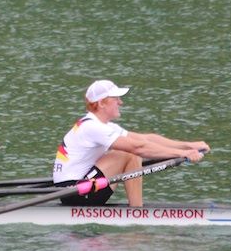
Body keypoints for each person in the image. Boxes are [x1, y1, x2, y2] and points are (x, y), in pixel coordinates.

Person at [53, 80, 208, 207]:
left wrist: (188, 146)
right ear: (101, 103)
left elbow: (146, 139)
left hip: (80, 188)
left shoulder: (103, 125)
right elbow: (138, 147)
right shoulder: (92, 127)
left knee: (132, 149)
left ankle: (136, 209)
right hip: (74, 192)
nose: (120, 102)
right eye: (116, 99)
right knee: (130, 152)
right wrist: (183, 154)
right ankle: (137, 211)